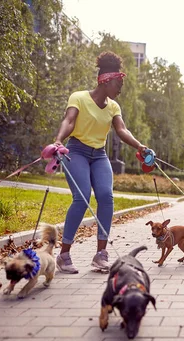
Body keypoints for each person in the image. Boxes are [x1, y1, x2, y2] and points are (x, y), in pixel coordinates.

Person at [52, 51, 148, 273]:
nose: (120, 89)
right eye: (119, 83)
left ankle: (100, 255)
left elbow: (122, 129)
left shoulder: (113, 106)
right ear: (106, 81)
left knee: (106, 197)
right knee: (82, 197)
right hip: (76, 151)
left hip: (99, 155)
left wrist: (139, 146)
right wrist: (58, 140)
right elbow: (69, 120)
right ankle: (64, 255)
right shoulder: (79, 97)